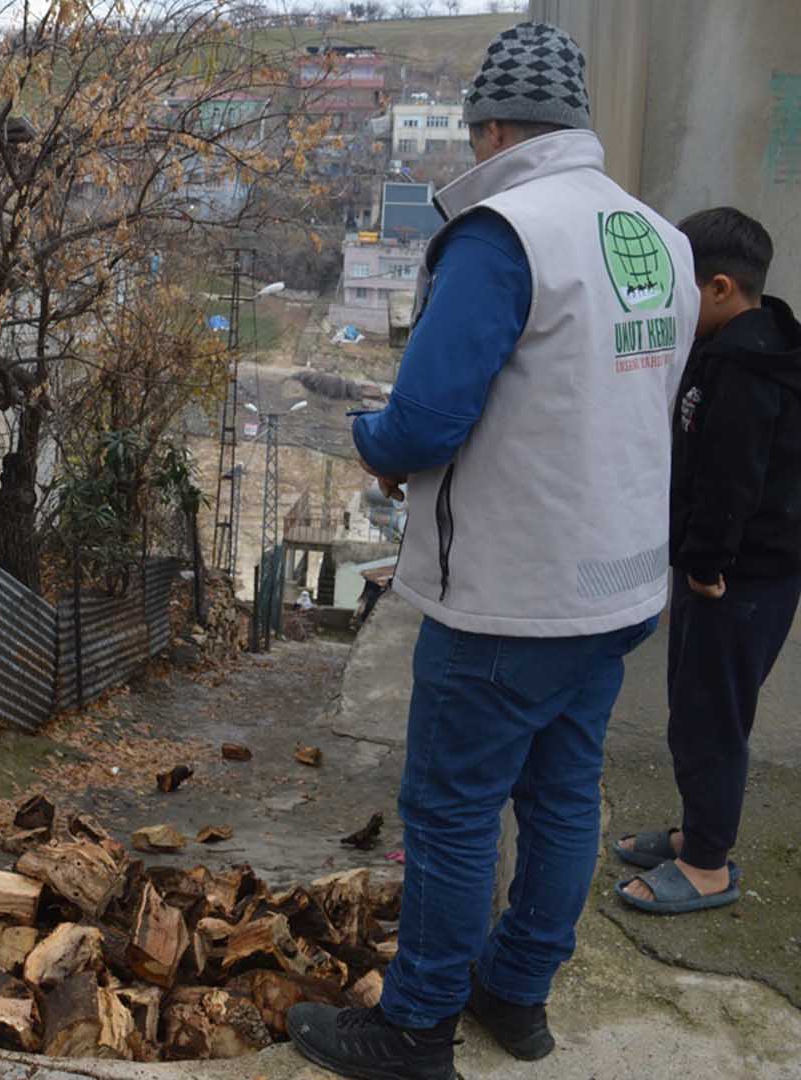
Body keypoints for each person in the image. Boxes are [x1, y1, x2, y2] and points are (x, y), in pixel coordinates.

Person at [287, 23, 698, 1080]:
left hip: (514, 591)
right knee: (562, 797)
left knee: (453, 811)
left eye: (474, 131)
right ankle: (517, 993)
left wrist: (372, 440)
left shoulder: (502, 234)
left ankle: (417, 1027)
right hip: (617, 585)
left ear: (495, 127)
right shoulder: (658, 238)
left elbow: (424, 422)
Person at [615, 208, 800, 914]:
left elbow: (731, 479)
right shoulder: (734, 345)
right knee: (695, 710)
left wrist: (704, 565)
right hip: (729, 570)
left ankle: (707, 865)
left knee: (710, 720)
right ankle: (698, 832)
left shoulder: (746, 369)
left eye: (680, 288)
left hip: (737, 578)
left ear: (721, 288)